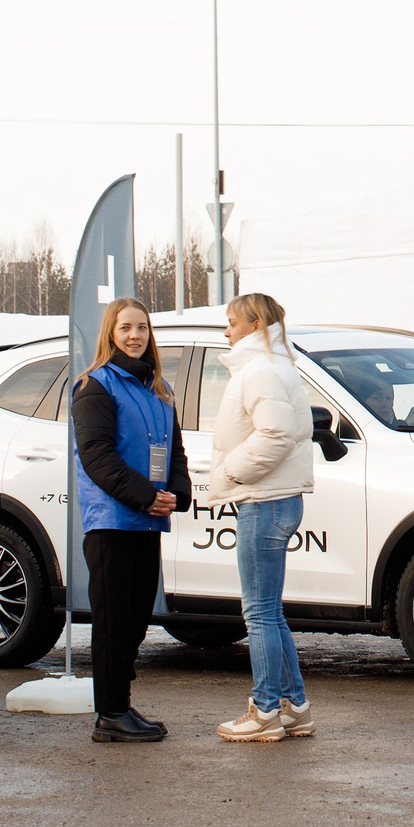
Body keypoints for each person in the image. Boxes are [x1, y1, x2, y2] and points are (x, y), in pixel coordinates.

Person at [72, 297, 191, 743]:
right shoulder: (95, 386)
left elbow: (173, 451)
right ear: (110, 333)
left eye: (141, 327)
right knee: (112, 619)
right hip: (113, 521)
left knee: (137, 617)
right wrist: (146, 497)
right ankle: (109, 714)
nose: (135, 335)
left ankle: (121, 702)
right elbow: (97, 457)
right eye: (125, 328)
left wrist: (175, 495)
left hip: (147, 519)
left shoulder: (158, 389)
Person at [208, 292, 317, 743]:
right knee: (269, 612)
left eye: (231, 322)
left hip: (264, 499)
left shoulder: (260, 371)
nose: (226, 330)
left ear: (253, 325)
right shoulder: (273, 366)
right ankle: (293, 707)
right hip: (275, 497)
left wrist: (232, 470)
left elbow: (277, 434)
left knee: (258, 614)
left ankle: (266, 709)